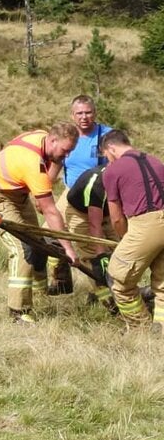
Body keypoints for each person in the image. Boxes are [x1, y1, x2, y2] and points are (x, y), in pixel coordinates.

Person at [0, 123, 79, 321]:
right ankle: (18, 312)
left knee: (38, 243)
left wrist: (42, 189)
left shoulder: (43, 138)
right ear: (53, 140)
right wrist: (69, 249)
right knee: (23, 249)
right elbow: (50, 211)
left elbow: (55, 162)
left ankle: (41, 295)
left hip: (18, 194)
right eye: (66, 151)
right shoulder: (32, 164)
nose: (67, 156)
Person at [48, 95, 114, 293]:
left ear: (95, 113)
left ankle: (105, 289)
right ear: (72, 115)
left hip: (100, 195)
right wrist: (44, 189)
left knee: (103, 244)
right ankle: (61, 280)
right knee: (50, 235)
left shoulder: (106, 135)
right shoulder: (68, 136)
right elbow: (57, 162)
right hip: (71, 193)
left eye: (88, 112)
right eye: (80, 113)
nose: (84, 117)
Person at [101, 129, 164, 328]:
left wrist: (124, 239)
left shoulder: (113, 170)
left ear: (110, 148)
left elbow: (117, 218)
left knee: (118, 278)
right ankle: (160, 329)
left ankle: (140, 328)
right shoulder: (155, 160)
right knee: (162, 281)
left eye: (106, 156)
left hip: (145, 224)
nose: (107, 160)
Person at [62, 165, 117, 311]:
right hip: (81, 214)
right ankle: (108, 303)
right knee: (94, 258)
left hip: (108, 213)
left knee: (117, 251)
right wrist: (100, 256)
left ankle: (107, 292)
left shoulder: (128, 179)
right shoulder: (97, 184)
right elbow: (94, 225)